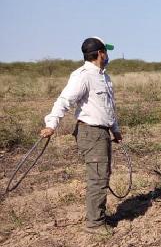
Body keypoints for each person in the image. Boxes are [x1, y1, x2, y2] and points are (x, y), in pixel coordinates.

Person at [41, 37, 122, 234]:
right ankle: (94, 223)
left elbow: (107, 108)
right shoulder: (83, 76)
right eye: (106, 51)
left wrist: (115, 129)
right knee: (98, 178)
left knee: (102, 175)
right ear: (100, 53)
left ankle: (98, 216)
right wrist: (51, 124)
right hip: (91, 132)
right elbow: (64, 100)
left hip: (102, 132)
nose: (108, 55)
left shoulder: (103, 76)